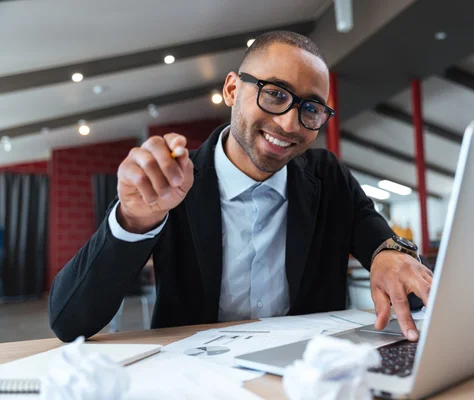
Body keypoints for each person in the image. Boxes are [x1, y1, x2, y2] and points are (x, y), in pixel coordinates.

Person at [48, 31, 433, 343]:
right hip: (192, 379)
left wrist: (388, 255)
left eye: (311, 108)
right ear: (232, 90)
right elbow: (69, 322)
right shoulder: (174, 179)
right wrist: (134, 219)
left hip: (304, 379)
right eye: (275, 94)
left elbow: (409, 287)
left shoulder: (328, 177)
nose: (288, 124)